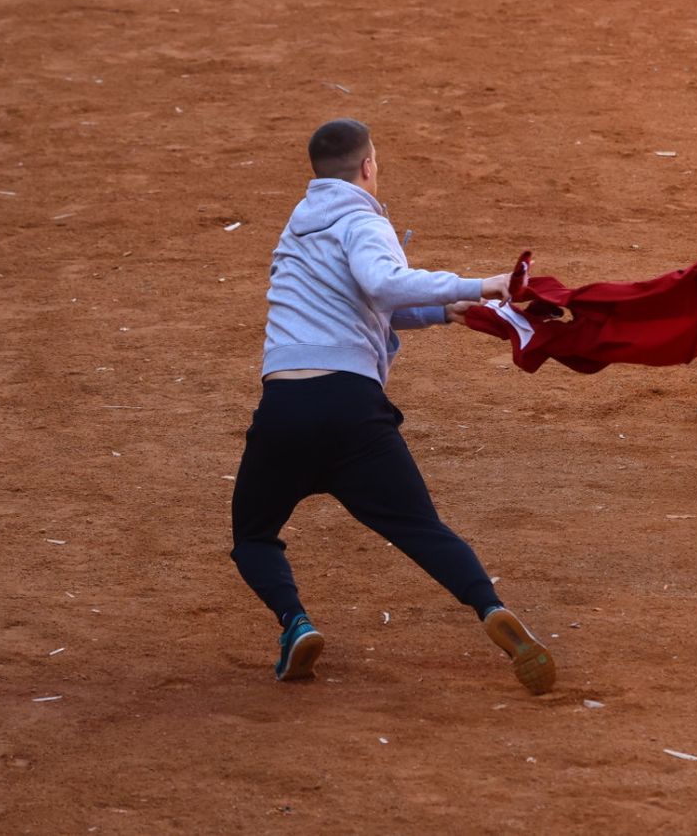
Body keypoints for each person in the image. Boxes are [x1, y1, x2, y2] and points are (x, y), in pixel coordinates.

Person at [229, 117, 557, 694]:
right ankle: (490, 608)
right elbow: (382, 285)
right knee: (420, 529)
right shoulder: (363, 220)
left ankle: (296, 622)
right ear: (368, 167)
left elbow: (361, 299)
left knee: (253, 537)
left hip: (285, 408)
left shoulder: (297, 229)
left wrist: (440, 312)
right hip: (352, 409)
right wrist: (477, 285)